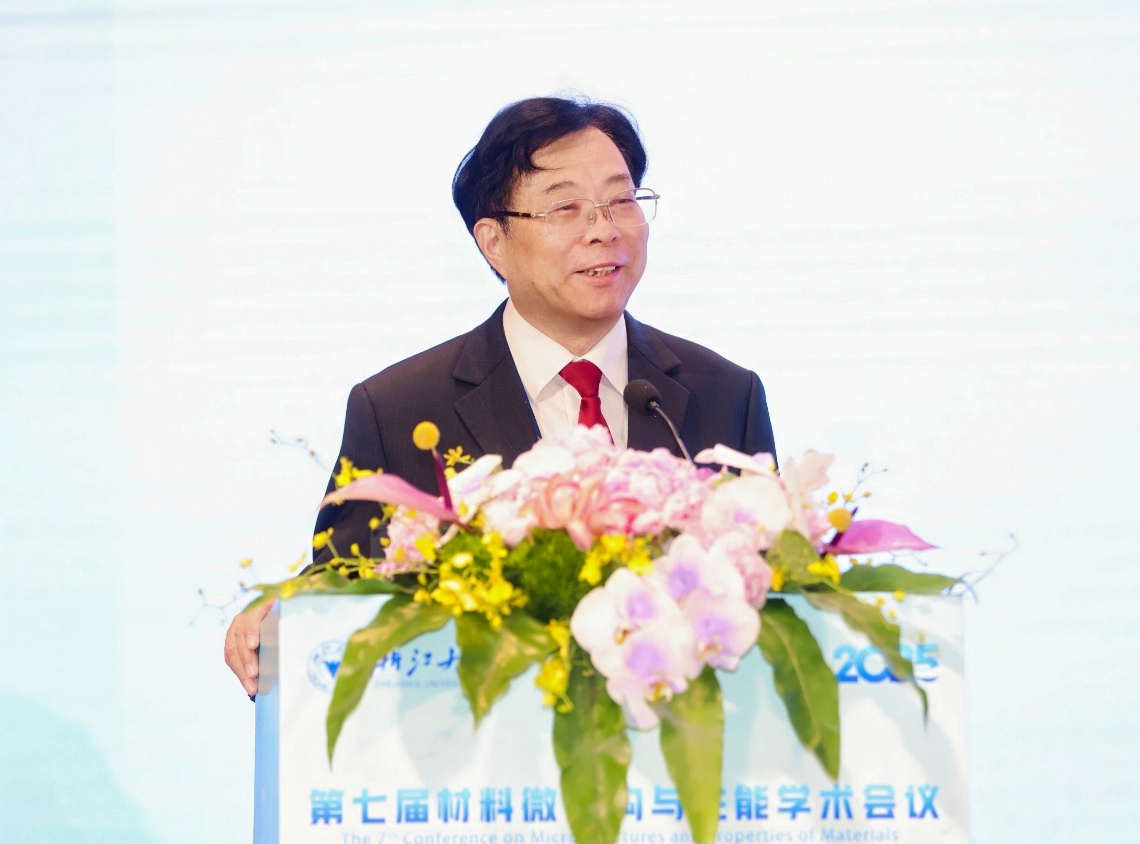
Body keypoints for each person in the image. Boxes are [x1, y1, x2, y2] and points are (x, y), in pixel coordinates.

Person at [224, 95, 776, 696]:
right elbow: (347, 588)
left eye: (621, 201)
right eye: (566, 208)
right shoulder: (399, 408)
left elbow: (773, 588)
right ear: (493, 242)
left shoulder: (725, 393)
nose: (604, 230)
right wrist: (290, 611)